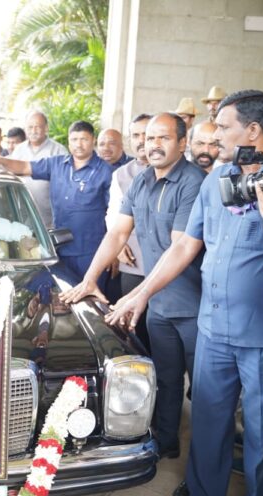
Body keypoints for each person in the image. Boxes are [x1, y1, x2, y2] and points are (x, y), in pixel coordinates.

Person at [107, 90, 263, 496]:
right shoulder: (217, 183)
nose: (215, 135)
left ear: (253, 130)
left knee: (262, 435)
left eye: (223, 126)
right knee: (207, 428)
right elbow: (183, 249)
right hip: (213, 331)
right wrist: (140, 294)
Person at [60, 113, 205, 461]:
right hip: (159, 305)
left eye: (163, 138)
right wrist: (90, 279)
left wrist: (138, 295)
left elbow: (181, 248)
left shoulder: (193, 182)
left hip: (197, 308)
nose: (153, 144)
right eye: (149, 138)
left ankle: (203, 468)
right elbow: (118, 232)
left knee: (205, 395)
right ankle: (167, 445)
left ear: (182, 144)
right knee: (166, 379)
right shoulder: (141, 181)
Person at [0, 121, 113, 283]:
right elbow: (24, 167)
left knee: (93, 300)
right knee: (62, 299)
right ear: (68, 141)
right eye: (74, 139)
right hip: (59, 250)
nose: (78, 144)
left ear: (93, 140)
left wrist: (114, 252)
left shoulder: (106, 172)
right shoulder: (57, 164)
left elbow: (116, 215)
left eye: (84, 139)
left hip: (92, 252)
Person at [105, 114, 152, 347]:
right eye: (136, 135)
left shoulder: (182, 173)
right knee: (135, 330)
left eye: (147, 134)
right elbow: (113, 215)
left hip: (167, 269)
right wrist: (119, 246)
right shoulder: (121, 174)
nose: (142, 140)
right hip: (133, 264)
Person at [10, 111, 69, 228]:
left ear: (46, 128)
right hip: (22, 217)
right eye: (30, 127)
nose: (33, 131)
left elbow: (65, 187)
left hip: (48, 220)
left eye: (37, 127)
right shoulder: (19, 150)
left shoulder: (59, 151)